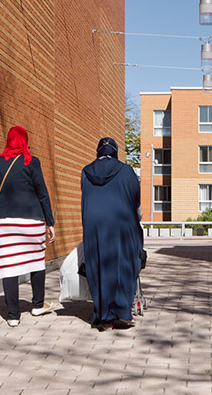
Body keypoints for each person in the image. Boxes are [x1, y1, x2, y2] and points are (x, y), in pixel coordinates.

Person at [0, 125, 58, 327]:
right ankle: (37, 305)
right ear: (25, 141)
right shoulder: (32, 162)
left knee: (9, 266)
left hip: (6, 222)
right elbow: (42, 193)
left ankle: (14, 316)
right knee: (36, 262)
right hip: (32, 220)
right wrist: (50, 222)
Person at [80, 136, 143, 330]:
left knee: (99, 266)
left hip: (95, 228)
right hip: (123, 225)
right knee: (125, 263)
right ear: (115, 151)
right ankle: (123, 311)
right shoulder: (126, 171)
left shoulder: (85, 172)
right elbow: (137, 204)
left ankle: (104, 316)